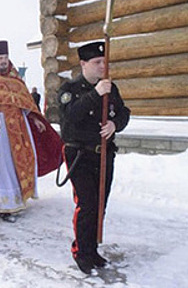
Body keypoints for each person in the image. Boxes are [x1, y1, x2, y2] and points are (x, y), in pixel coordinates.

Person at [0, 40, 62, 223]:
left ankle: (17, 198)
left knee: (21, 163)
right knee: (1, 166)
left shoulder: (16, 80)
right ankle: (3, 205)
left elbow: (24, 103)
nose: (4, 61)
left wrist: (34, 119)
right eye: (0, 58)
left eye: (6, 58)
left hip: (19, 127)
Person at [58, 41, 130, 274]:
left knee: (100, 205)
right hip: (79, 154)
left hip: (104, 154)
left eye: (104, 62)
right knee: (87, 204)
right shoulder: (70, 90)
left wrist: (114, 124)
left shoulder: (111, 88)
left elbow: (124, 112)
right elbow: (69, 118)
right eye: (97, 62)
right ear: (83, 64)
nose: (102, 66)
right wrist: (95, 94)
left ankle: (92, 250)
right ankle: (80, 251)